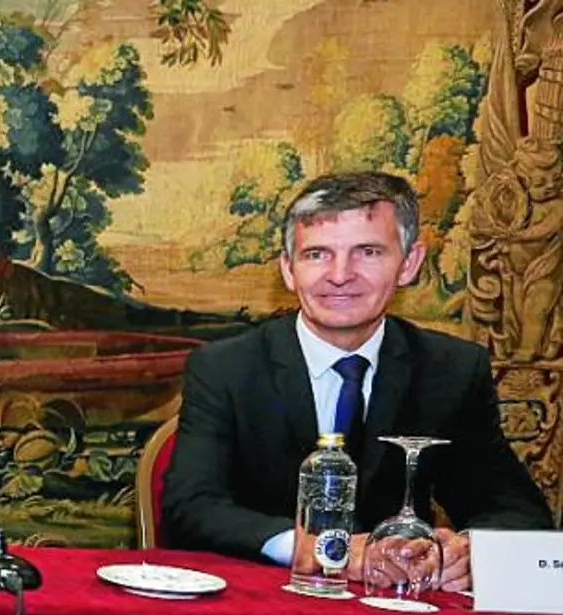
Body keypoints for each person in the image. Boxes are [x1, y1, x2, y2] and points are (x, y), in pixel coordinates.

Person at [161, 171, 554, 589]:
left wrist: (469, 549)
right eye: (316, 255)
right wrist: (319, 549)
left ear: (409, 263)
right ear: (288, 270)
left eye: (367, 252)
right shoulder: (226, 368)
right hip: (267, 605)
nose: (340, 274)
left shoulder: (452, 370)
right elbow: (192, 508)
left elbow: (516, 511)